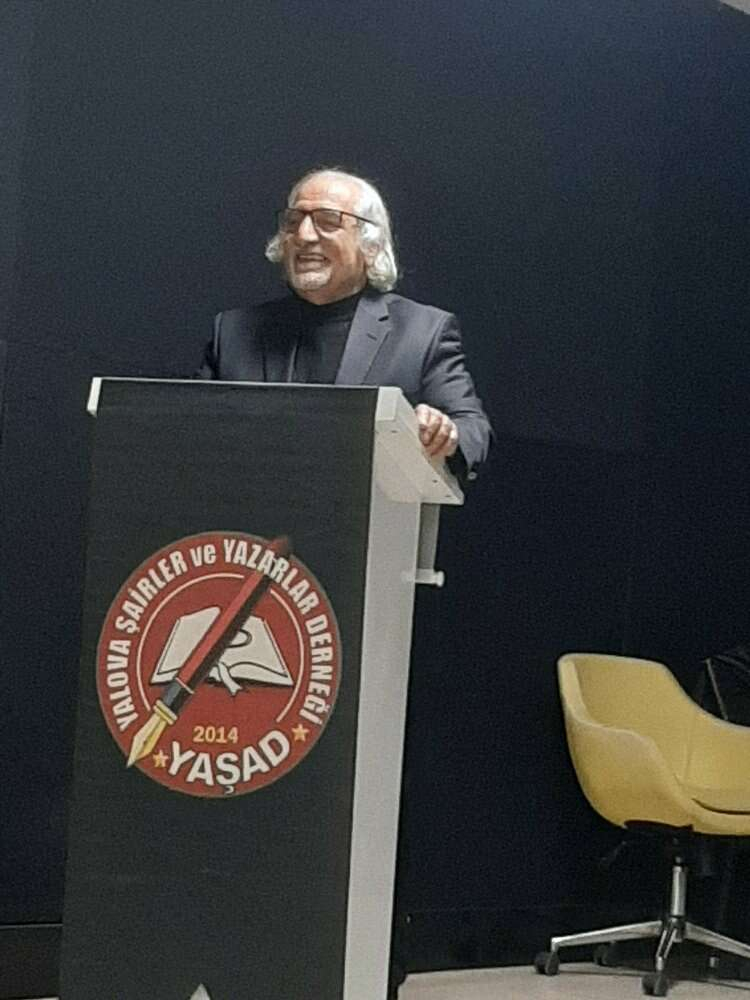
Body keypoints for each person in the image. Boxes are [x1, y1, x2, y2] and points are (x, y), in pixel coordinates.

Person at [197, 168, 492, 480]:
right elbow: (186, 428)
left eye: (328, 221)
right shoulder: (233, 331)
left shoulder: (423, 332)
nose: (304, 235)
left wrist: (444, 433)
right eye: (294, 221)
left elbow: (473, 430)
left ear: (371, 245)